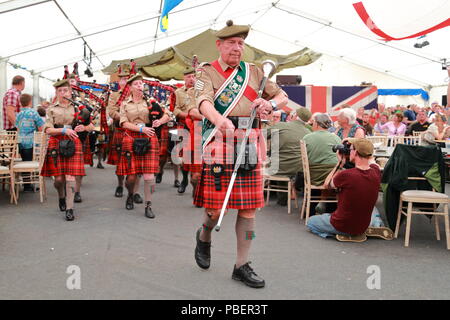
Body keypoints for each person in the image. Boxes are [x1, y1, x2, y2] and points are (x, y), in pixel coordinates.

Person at [193, 20, 288, 288]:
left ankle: (241, 265)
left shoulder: (255, 71)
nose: (237, 48)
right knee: (213, 211)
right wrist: (219, 119)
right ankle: (204, 236)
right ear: (219, 45)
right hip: (219, 141)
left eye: (241, 44)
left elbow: (282, 97)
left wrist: (268, 103)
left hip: (250, 140)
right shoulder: (206, 72)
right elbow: (203, 102)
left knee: (248, 210)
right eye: (232, 43)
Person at [306, 138, 393, 242]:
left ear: (355, 152)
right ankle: (376, 224)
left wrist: (339, 163)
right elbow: (371, 160)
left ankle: (343, 235)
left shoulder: (346, 175)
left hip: (343, 224)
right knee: (372, 208)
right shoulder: (376, 171)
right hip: (363, 225)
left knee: (311, 222)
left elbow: (326, 184)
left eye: (350, 149)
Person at [116, 74, 170, 218]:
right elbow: (123, 123)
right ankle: (130, 194)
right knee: (132, 177)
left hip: (149, 137)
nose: (140, 86)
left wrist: (160, 122)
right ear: (131, 87)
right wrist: (140, 129)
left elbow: (167, 114)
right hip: (131, 137)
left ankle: (148, 205)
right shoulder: (125, 104)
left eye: (141, 83)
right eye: (136, 84)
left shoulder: (151, 101)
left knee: (149, 177)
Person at [40, 79, 94, 221]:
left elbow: (91, 126)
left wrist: (85, 128)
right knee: (58, 180)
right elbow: (47, 129)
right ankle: (61, 196)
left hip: (73, 143)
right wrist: (63, 130)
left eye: (65, 90)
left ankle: (70, 208)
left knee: (70, 177)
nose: (63, 93)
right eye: (60, 91)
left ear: (70, 92)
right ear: (56, 93)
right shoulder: (51, 109)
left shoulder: (78, 108)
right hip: (56, 142)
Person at [267, 107, 312, 206]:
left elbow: (262, 135)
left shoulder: (281, 125)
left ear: (295, 116)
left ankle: (281, 199)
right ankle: (286, 197)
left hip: (279, 167)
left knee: (275, 161)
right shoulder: (308, 133)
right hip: (299, 169)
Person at [107, 64, 130, 198]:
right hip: (121, 130)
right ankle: (120, 185)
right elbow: (111, 112)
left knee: (135, 161)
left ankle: (133, 189)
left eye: (127, 79)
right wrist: (126, 118)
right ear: (119, 81)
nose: (124, 81)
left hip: (136, 132)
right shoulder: (114, 95)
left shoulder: (137, 95)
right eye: (122, 79)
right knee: (121, 161)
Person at [173, 67, 197, 194]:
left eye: (193, 76)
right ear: (184, 78)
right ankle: (184, 180)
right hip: (183, 126)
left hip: (198, 126)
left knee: (196, 157)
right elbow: (175, 109)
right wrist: (186, 116)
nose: (191, 79)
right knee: (182, 158)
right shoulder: (178, 92)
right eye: (189, 77)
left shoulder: (200, 91)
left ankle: (195, 185)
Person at [15, 94, 45, 191]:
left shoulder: (19, 114)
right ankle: (28, 185)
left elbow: (17, 127)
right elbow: (41, 128)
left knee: (24, 162)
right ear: (30, 102)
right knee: (29, 163)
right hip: (31, 141)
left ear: (21, 103)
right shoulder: (33, 113)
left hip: (20, 142)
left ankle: (27, 184)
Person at [303, 113, 341, 186]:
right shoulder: (336, 138)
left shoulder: (307, 138)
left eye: (313, 122)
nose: (312, 125)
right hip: (332, 175)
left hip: (314, 176)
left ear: (316, 124)